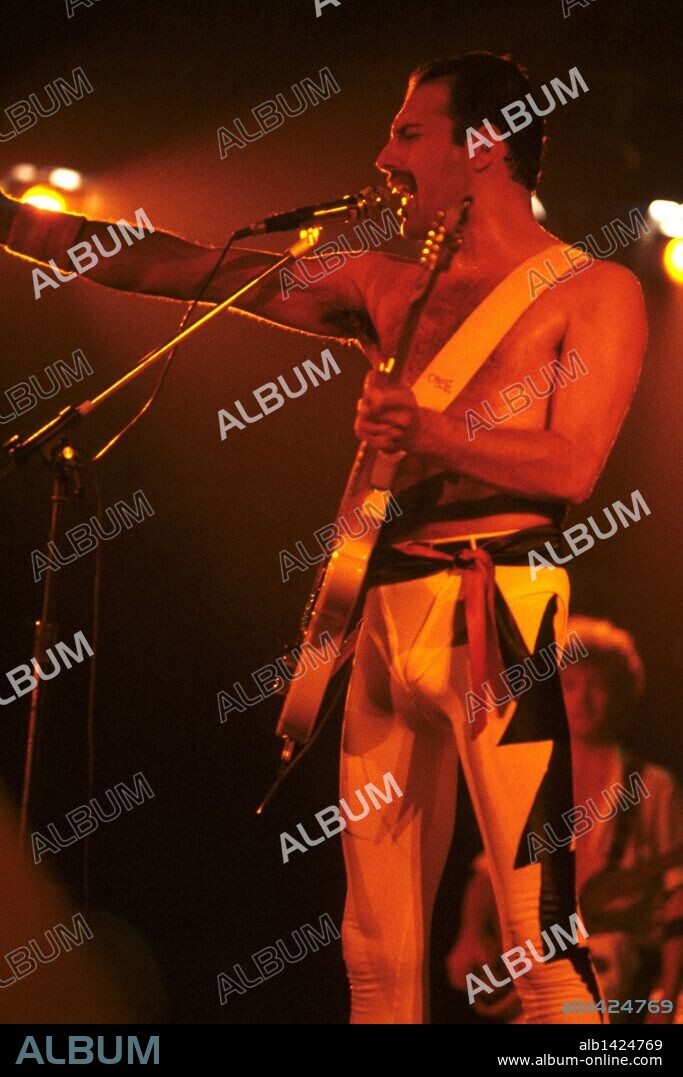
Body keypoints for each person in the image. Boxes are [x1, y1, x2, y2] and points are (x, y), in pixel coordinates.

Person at [0, 53, 648, 1023]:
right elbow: (175, 265)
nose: (383, 154)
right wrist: (14, 225)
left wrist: (426, 429)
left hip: (497, 621)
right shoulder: (384, 287)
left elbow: (568, 471)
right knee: (373, 956)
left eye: (408, 134)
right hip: (381, 619)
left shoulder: (593, 292)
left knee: (539, 951)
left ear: (481, 148)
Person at [447, 616, 683, 1024]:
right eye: (571, 685)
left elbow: (678, 896)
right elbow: (490, 873)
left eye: (599, 685)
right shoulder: (530, 778)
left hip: (626, 984)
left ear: (623, 693)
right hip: (539, 981)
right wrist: (469, 936)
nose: (583, 699)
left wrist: (667, 997)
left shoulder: (652, 786)